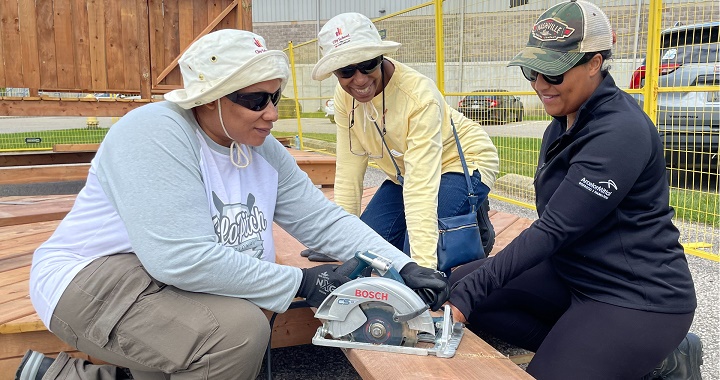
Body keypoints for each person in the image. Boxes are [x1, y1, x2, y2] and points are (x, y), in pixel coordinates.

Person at [15, 29, 449, 380]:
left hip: (157, 274)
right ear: (208, 97)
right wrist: (303, 281)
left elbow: (322, 220)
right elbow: (179, 257)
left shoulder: (258, 144)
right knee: (235, 334)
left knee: (221, 322)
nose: (272, 113)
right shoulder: (154, 132)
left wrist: (401, 267)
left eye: (275, 97)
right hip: (92, 277)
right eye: (256, 100)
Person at [446, 1, 702, 379]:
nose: (539, 85)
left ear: (595, 64)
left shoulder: (620, 132)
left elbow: (553, 230)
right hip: (573, 273)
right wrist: (465, 291)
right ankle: (600, 354)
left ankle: (657, 358)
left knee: (474, 295)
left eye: (554, 73)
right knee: (458, 281)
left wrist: (469, 296)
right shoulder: (565, 120)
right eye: (532, 71)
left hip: (635, 295)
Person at [305, 12, 500, 271]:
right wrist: (340, 242)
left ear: (381, 57)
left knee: (417, 253)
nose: (360, 79)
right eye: (346, 70)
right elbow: (348, 172)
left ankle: (471, 218)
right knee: (366, 253)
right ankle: (454, 216)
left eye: (368, 64)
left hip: (461, 161)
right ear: (335, 73)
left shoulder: (419, 97)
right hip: (406, 172)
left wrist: (424, 270)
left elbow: (420, 190)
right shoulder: (344, 98)